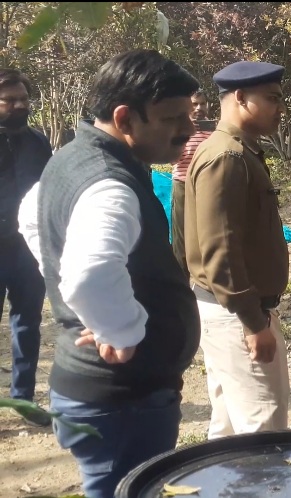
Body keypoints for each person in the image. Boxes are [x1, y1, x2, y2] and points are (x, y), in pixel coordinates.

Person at [17, 49, 200, 498]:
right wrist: (120, 331)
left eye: (188, 114)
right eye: (173, 118)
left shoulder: (73, 155)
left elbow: (30, 214)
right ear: (124, 118)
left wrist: (84, 303)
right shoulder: (110, 184)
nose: (188, 128)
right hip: (124, 401)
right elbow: (89, 272)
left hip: (103, 397)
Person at [183, 61, 291, 439]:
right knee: (264, 431)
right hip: (236, 314)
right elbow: (221, 252)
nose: (280, 108)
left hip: (228, 310)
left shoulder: (236, 150)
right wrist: (253, 323)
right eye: (272, 99)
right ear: (241, 97)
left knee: (229, 431)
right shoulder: (227, 157)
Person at [0, 68, 50, 427]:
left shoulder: (38, 143)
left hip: (27, 251)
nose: (20, 105)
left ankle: (24, 400)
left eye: (23, 99)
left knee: (27, 324)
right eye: (10, 100)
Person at [170, 91, 213, 274]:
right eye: (194, 104)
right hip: (182, 184)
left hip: (207, 186)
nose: (199, 108)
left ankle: (205, 273)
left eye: (202, 104)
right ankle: (181, 276)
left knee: (206, 231)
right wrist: (184, 135)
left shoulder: (214, 129)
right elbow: (172, 160)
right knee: (181, 234)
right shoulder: (178, 128)